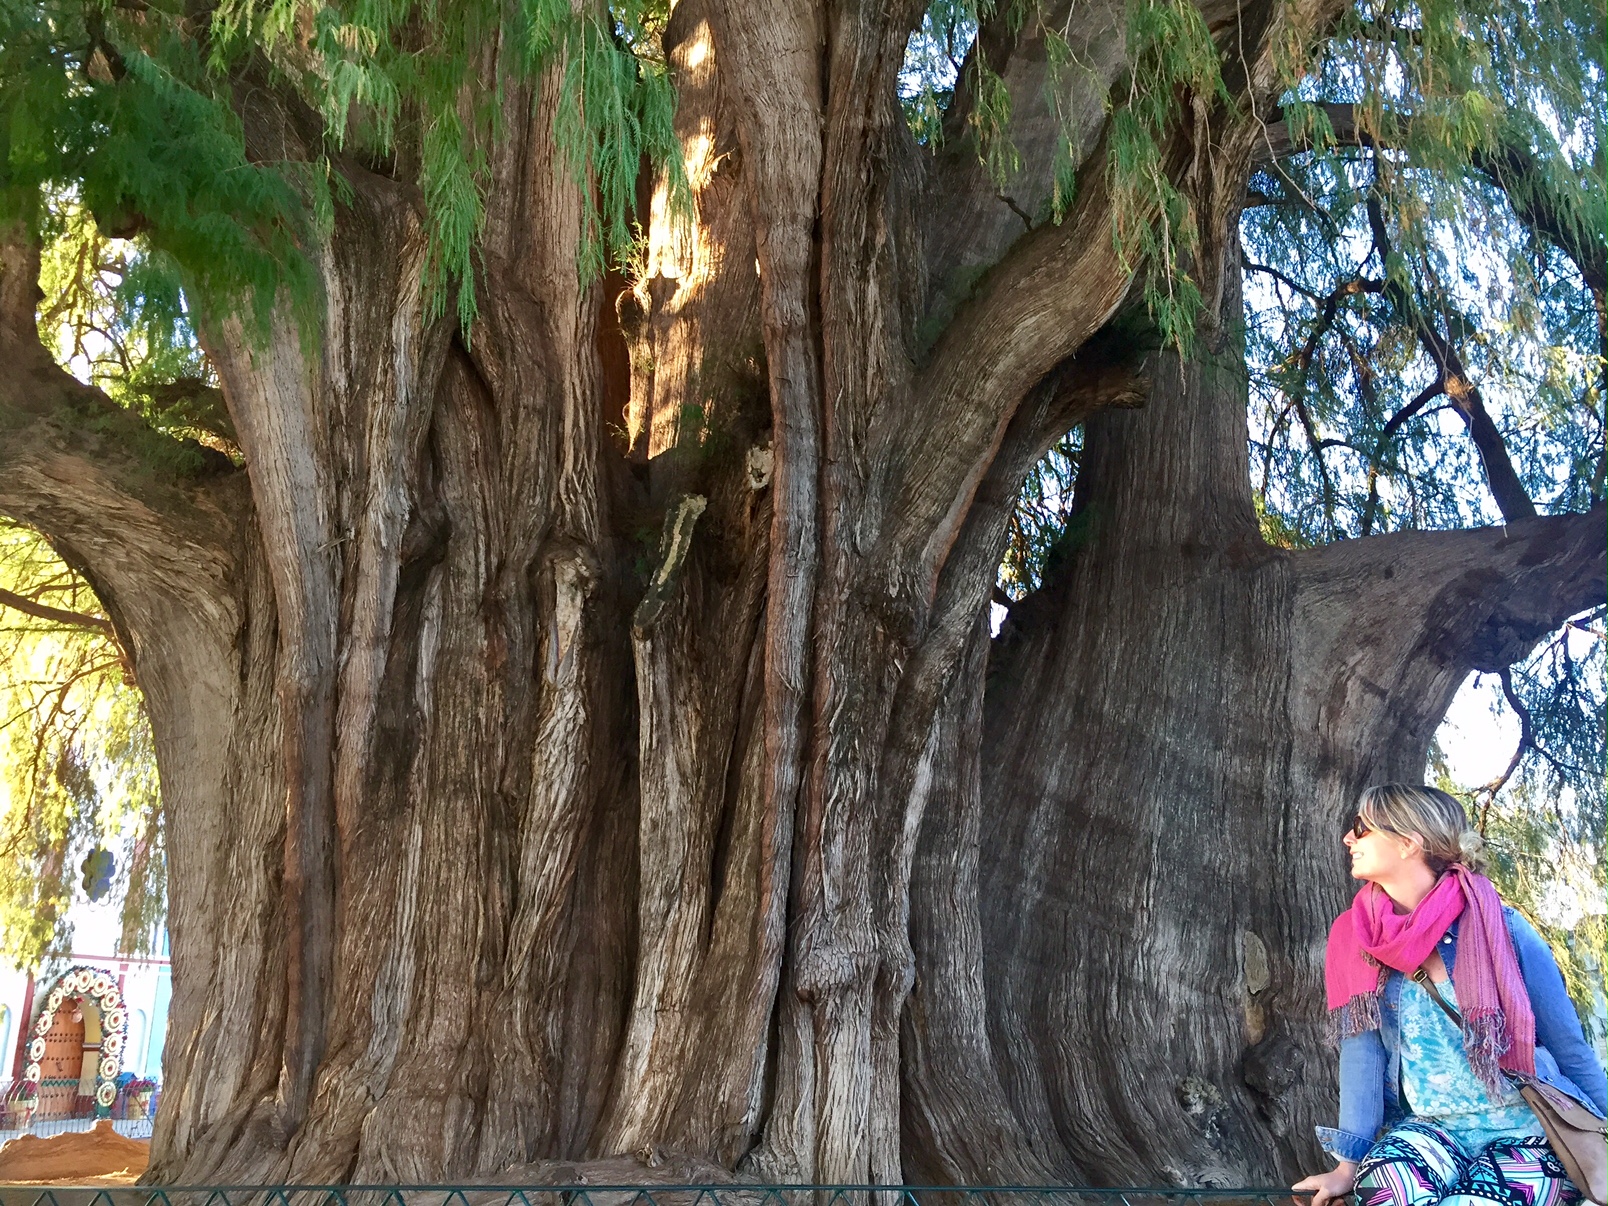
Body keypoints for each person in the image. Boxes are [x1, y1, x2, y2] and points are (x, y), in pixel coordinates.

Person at [1293, 784, 1608, 1206]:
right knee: (1383, 1194)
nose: (1349, 839)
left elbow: (1569, 1047)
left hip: (1526, 1129)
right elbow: (1362, 1052)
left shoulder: (1505, 929)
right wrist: (1348, 1166)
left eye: (1361, 828)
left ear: (1408, 842)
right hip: (1431, 1128)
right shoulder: (1355, 937)